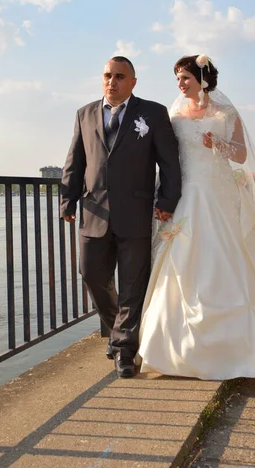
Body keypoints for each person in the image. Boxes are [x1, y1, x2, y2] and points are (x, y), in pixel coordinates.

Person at [137, 54, 255, 381]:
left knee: (229, 258)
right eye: (177, 79)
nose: (180, 85)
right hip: (188, 194)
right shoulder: (174, 115)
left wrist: (220, 144)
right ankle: (175, 349)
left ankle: (239, 348)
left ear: (202, 78)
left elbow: (240, 154)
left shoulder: (226, 113)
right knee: (183, 262)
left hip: (219, 194)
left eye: (184, 78)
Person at [60, 56, 181, 378]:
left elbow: (169, 162)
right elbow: (75, 161)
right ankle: (120, 330)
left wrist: (168, 199)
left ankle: (125, 349)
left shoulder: (153, 113)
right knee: (91, 275)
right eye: (107, 76)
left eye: (119, 76)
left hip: (136, 212)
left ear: (133, 82)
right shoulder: (84, 113)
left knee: (132, 284)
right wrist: (67, 199)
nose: (111, 82)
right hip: (92, 210)